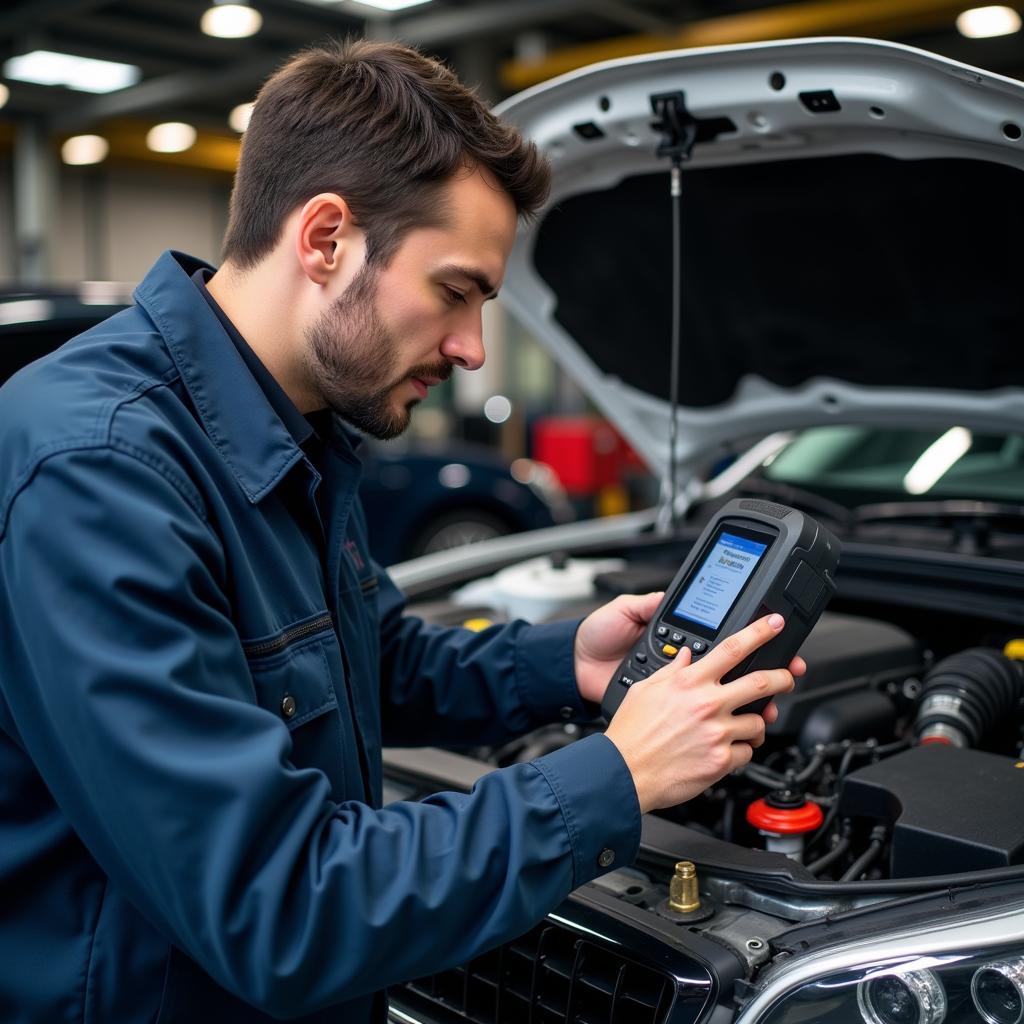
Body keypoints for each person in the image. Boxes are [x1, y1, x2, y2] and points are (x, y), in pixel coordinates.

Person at [0, 39, 801, 1024]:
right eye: (454, 291)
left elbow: (360, 658)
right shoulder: (103, 471)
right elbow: (279, 907)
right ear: (326, 237)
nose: (469, 347)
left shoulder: (288, 428)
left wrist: (567, 665)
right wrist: (614, 776)